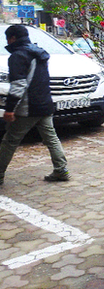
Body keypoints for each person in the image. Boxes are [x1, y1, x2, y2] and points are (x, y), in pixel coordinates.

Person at [0, 25, 70, 185]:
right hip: (45, 104)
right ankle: (61, 170)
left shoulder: (18, 56)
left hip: (27, 108)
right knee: (51, 138)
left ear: (12, 38)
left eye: (7, 38)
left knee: (10, 141)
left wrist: (10, 109)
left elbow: (18, 85)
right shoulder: (39, 53)